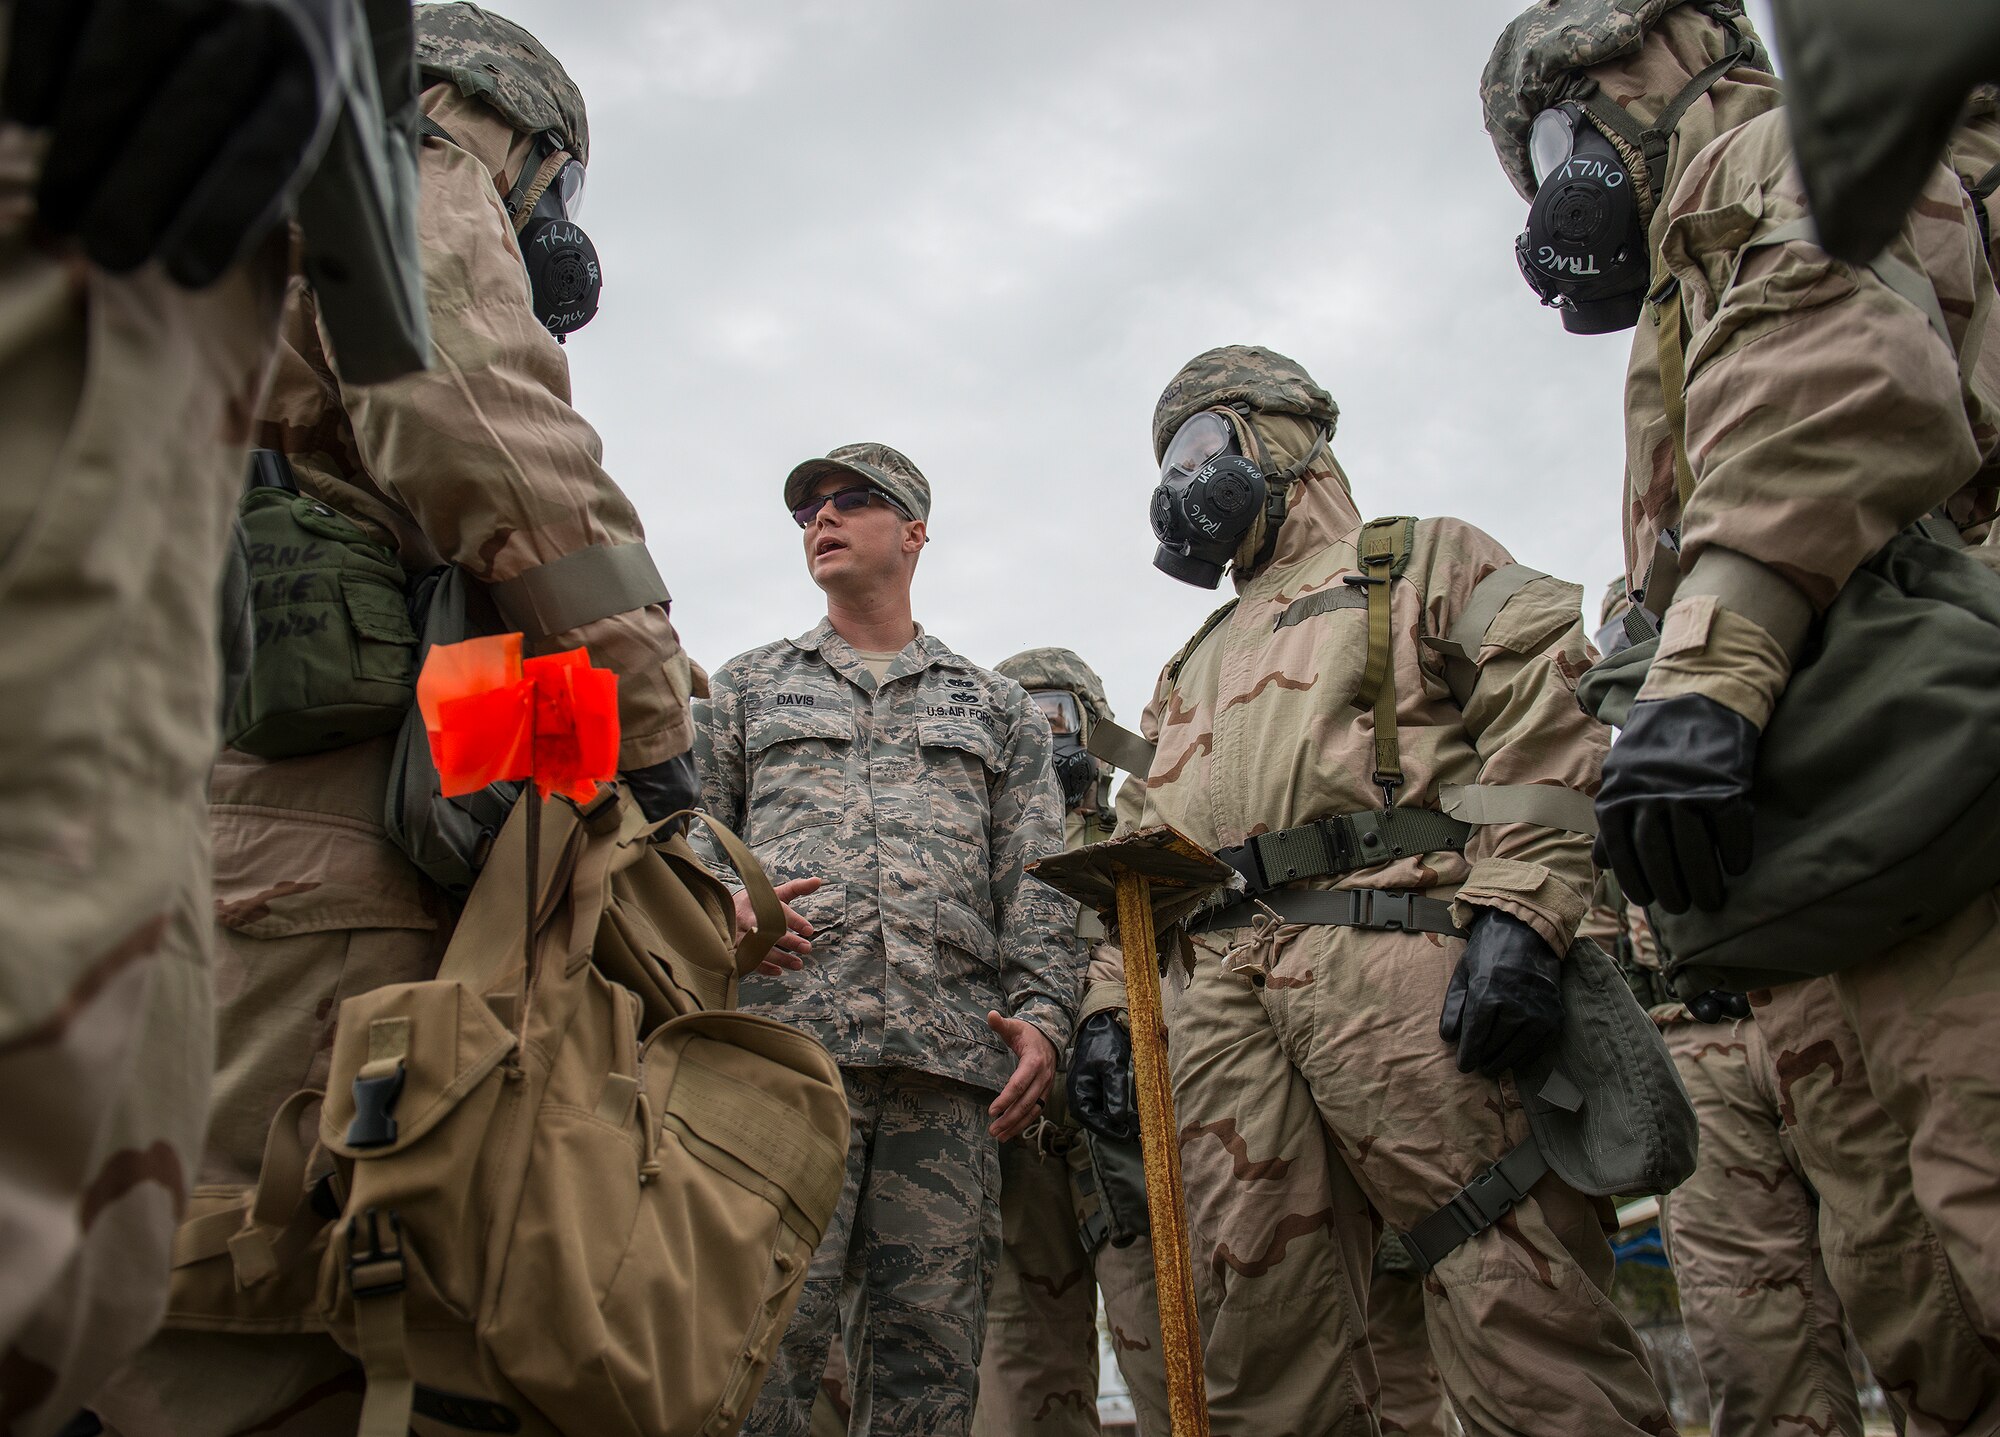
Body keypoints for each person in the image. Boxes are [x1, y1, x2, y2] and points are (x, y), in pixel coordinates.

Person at [90, 6, 700, 1432]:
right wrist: (656, 733)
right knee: (281, 1294)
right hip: (309, 840)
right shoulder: (409, 158)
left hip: (139, 819)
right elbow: (473, 421)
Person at [1482, 2, 2000, 1428]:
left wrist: (1708, 680)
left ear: (1634, 65)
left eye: (1554, 134)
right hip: (1868, 858)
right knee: (1927, 1306)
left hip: (1938, 781)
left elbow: (1828, 381)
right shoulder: (1698, 265)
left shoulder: (1758, 154)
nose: (1558, 181)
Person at [1069, 344, 1668, 1434]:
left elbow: (1547, 704)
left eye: (1199, 445)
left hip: (1402, 974)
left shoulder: (1417, 559)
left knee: (1515, 1300)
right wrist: (1111, 1011)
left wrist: (1523, 915)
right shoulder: (1189, 664)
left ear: (1280, 438)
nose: (1174, 483)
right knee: (1257, 1338)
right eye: (1161, 464)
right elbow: (1137, 848)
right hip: (1223, 1021)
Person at [0, 0, 426, 1430]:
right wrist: (636, 684)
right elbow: (459, 411)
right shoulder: (456, 147)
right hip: (105, 250)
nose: (824, 521)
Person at [692, 442, 1077, 1437]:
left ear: (911, 533)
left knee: (928, 1373)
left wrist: (1042, 1019)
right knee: (753, 1353)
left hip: (947, 1080)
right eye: (807, 509)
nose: (820, 518)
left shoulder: (992, 708)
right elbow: (685, 840)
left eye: (848, 501)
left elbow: (1035, 878)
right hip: (783, 1066)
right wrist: (718, 906)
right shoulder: (745, 690)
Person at [972, 648, 1168, 1437]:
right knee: (1022, 1387)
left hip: (1131, 1133)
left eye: (1061, 711)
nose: (1048, 733)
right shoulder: (977, 846)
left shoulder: (1144, 825)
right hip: (1016, 1138)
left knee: (1174, 1365)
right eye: (1027, 712)